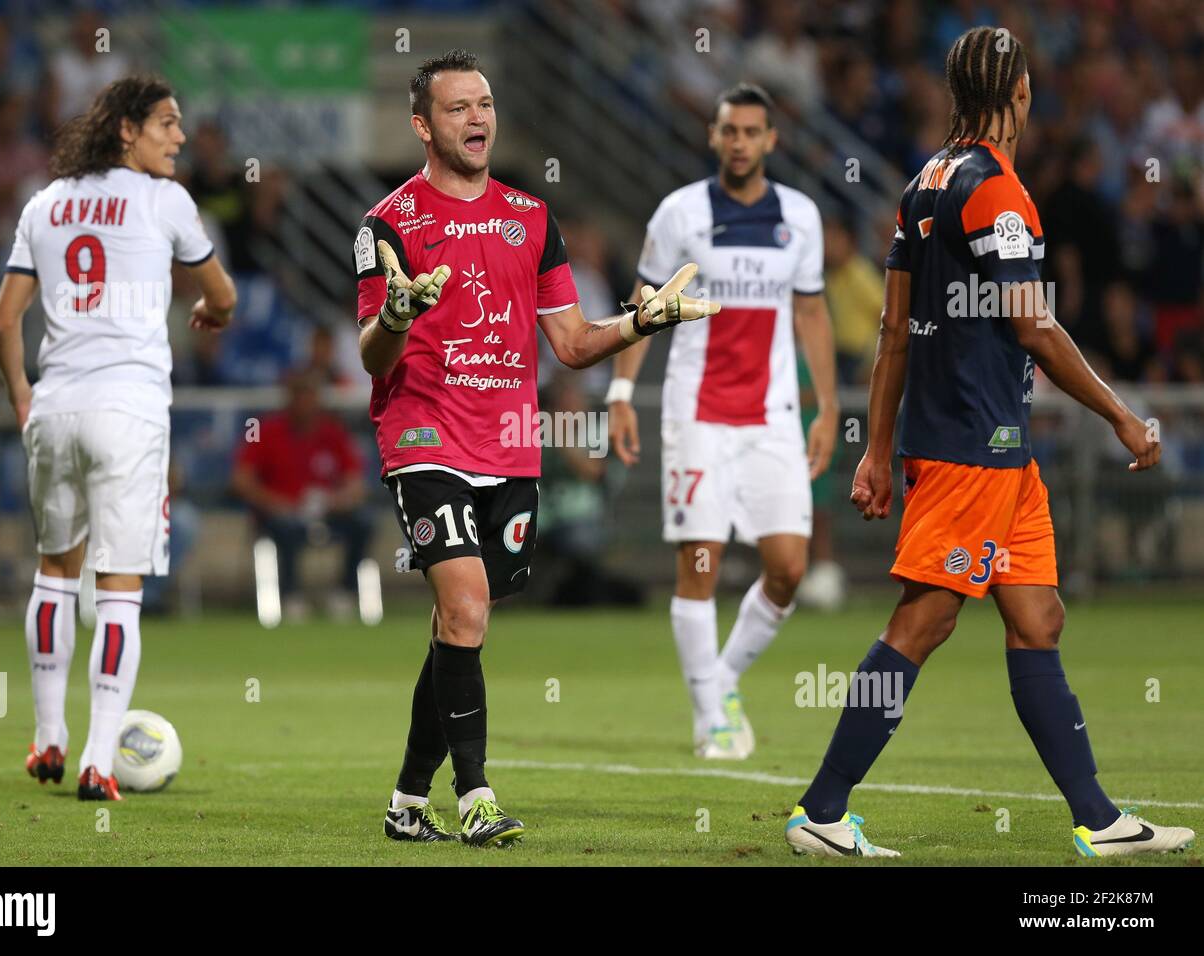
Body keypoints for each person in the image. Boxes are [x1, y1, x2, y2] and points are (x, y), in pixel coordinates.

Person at [784, 27, 1194, 858]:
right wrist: (1118, 411)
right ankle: (822, 812)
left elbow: (895, 329)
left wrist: (876, 448)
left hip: (994, 451)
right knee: (923, 624)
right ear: (1018, 94)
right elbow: (1033, 326)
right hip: (972, 444)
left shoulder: (923, 183)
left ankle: (1099, 820)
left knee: (1037, 619)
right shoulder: (1000, 195)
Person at [354, 49, 718, 846]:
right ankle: (475, 797)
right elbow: (371, 358)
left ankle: (406, 802)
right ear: (422, 124)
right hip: (423, 435)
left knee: (464, 621)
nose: (477, 118)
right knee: (467, 607)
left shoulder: (531, 218)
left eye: (484, 104)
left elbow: (574, 343)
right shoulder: (388, 225)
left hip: (510, 444)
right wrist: (396, 317)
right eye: (457, 108)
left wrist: (641, 323)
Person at [0, 76, 236, 801]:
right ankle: (99, 760)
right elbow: (221, 293)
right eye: (166, 123)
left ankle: (46, 740)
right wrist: (214, 314)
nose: (180, 137)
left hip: (56, 408)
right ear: (125, 129)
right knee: (119, 589)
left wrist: (22, 396)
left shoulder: (46, 202)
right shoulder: (165, 202)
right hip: (127, 410)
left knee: (54, 575)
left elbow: (3, 321)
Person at [608, 83, 838, 760]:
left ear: (772, 140)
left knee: (789, 569)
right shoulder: (678, 215)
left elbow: (811, 313)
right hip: (696, 415)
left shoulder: (800, 217)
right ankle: (711, 718)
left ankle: (722, 677)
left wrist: (826, 407)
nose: (739, 142)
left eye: (751, 131)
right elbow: (645, 305)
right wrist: (621, 391)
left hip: (773, 417)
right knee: (700, 561)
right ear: (713, 136)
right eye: (728, 130)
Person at [231, 367, 374, 620]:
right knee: (285, 528)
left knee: (363, 523)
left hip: (326, 511)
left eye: (311, 396)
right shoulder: (261, 429)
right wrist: (276, 503)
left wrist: (333, 501)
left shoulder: (334, 432)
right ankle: (290, 595)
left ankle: (345, 593)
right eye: (300, 396)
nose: (306, 403)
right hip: (280, 513)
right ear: (289, 398)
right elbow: (241, 480)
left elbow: (356, 485)